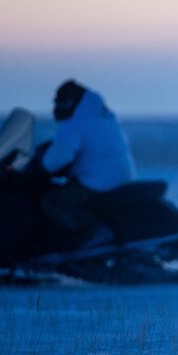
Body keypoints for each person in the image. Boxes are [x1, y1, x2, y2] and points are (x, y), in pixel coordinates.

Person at [38, 79, 136, 247]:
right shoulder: (104, 115)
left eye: (61, 101)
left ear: (71, 101)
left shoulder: (77, 122)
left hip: (98, 182)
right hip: (122, 177)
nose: (58, 106)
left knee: (52, 201)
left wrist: (39, 166)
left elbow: (57, 159)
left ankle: (94, 232)